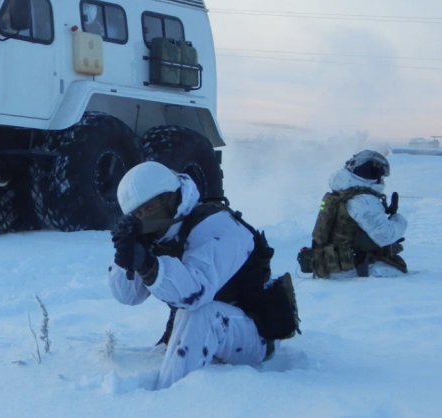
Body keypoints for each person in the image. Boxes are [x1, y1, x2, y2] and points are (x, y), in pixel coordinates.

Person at [108, 161, 300, 390]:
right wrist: (126, 259)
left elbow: (194, 294)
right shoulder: (158, 233)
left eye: (150, 208)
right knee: (196, 316)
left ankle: (168, 401)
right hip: (205, 333)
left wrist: (148, 264)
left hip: (254, 332)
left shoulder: (217, 225)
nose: (145, 217)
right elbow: (128, 296)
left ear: (170, 199)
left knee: (199, 313)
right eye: (138, 213)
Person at [298, 150, 408, 279]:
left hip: (333, 267)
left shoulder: (342, 194)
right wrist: (397, 219)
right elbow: (385, 235)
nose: (383, 182)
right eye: (381, 178)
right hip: (353, 272)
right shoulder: (363, 200)